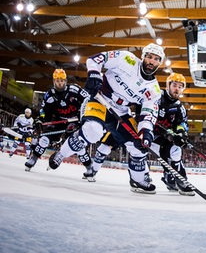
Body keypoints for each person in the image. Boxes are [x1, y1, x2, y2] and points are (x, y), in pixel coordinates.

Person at [47, 43, 165, 194]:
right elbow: (95, 59)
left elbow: (149, 112)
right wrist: (94, 74)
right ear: (143, 57)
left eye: (156, 59)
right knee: (93, 131)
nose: (151, 61)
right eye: (149, 56)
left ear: (159, 63)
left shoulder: (153, 89)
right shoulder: (127, 59)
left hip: (121, 111)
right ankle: (61, 154)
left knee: (139, 145)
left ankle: (138, 179)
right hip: (99, 99)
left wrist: (146, 131)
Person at [24, 69, 92, 172]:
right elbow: (44, 110)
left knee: (78, 145)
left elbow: (88, 99)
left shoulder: (74, 89)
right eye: (57, 81)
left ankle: (89, 168)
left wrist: (85, 115)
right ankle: (33, 158)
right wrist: (40, 119)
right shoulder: (49, 95)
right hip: (59, 120)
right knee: (44, 139)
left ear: (65, 80)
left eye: (61, 80)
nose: (59, 83)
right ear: (53, 81)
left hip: (75, 121)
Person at [152, 72, 194, 196]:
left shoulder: (179, 107)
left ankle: (180, 181)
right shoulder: (157, 96)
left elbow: (182, 123)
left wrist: (181, 134)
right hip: (151, 134)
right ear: (168, 85)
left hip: (165, 137)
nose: (177, 89)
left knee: (176, 151)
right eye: (175, 85)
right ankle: (142, 177)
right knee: (152, 151)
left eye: (180, 87)